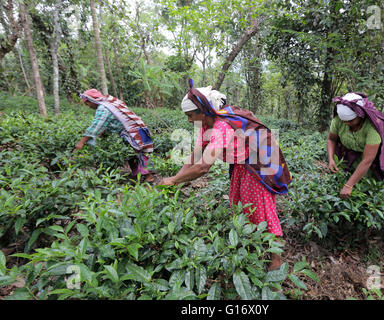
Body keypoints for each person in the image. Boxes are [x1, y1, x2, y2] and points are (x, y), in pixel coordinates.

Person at [159, 80, 292, 271]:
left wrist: (173, 180)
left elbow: (203, 167)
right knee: (238, 203)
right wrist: (174, 179)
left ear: (203, 110)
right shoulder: (205, 124)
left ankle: (276, 258)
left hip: (256, 163)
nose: (188, 120)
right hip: (239, 164)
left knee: (262, 207)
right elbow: (195, 156)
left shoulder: (222, 126)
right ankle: (250, 241)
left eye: (190, 115)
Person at [74, 88, 155, 182]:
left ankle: (149, 176)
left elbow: (96, 126)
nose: (88, 106)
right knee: (130, 154)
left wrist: (81, 142)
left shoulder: (103, 108)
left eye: (87, 103)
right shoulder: (108, 104)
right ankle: (138, 175)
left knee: (139, 153)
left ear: (92, 101)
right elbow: (105, 124)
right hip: (129, 132)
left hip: (133, 132)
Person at [327, 92, 384, 199]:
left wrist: (349, 185)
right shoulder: (338, 121)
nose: (346, 124)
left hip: (370, 164)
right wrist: (331, 159)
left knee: (367, 194)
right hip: (349, 156)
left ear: (360, 115)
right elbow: (331, 139)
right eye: (344, 121)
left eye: (350, 121)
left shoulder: (372, 128)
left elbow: (367, 160)